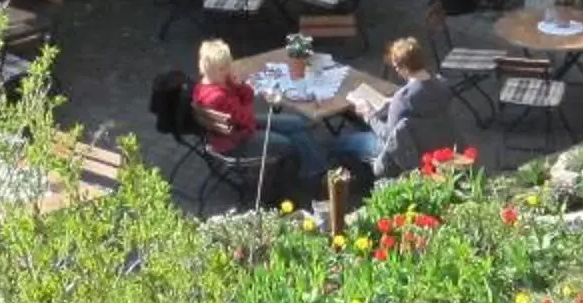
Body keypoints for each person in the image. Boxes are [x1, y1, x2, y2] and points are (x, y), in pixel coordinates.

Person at [191, 39, 331, 189]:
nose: (228, 70)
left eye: (228, 64)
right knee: (290, 139)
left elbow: (248, 97)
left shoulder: (206, 84)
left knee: (296, 124)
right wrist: (242, 95)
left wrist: (238, 86)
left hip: (238, 128)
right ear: (209, 68)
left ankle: (315, 169)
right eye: (223, 68)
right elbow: (245, 116)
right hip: (236, 141)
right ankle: (317, 172)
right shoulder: (217, 97)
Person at [335, 37, 458, 179]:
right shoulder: (441, 85)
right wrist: (392, 102)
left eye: (396, 68)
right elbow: (425, 101)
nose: (397, 72)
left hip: (408, 152)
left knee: (343, 142)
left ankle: (356, 181)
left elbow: (389, 137)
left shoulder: (403, 98)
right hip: (436, 144)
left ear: (404, 68)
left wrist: (369, 115)